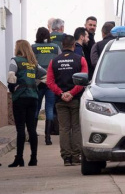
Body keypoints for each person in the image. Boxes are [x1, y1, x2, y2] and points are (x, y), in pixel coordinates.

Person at [47, 35, 88, 166]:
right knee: (76, 127)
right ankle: (76, 156)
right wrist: (71, 93)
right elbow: (84, 80)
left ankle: (66, 158)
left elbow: (49, 82)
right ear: (74, 45)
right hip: (75, 99)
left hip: (60, 100)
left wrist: (61, 93)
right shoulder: (80, 59)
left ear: (62, 46)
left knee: (64, 128)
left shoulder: (53, 61)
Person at [7, 40, 46, 167]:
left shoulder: (15, 60)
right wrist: (36, 84)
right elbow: (45, 75)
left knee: (20, 129)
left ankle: (19, 158)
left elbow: (11, 75)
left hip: (20, 97)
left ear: (18, 48)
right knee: (32, 129)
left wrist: (13, 88)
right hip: (33, 97)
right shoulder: (34, 63)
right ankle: (33, 159)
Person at [32, 27, 61, 145]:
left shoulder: (33, 47)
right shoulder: (55, 47)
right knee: (49, 108)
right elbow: (58, 62)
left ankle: (32, 136)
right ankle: (47, 138)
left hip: (37, 82)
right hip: (50, 81)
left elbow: (30, 62)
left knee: (36, 108)